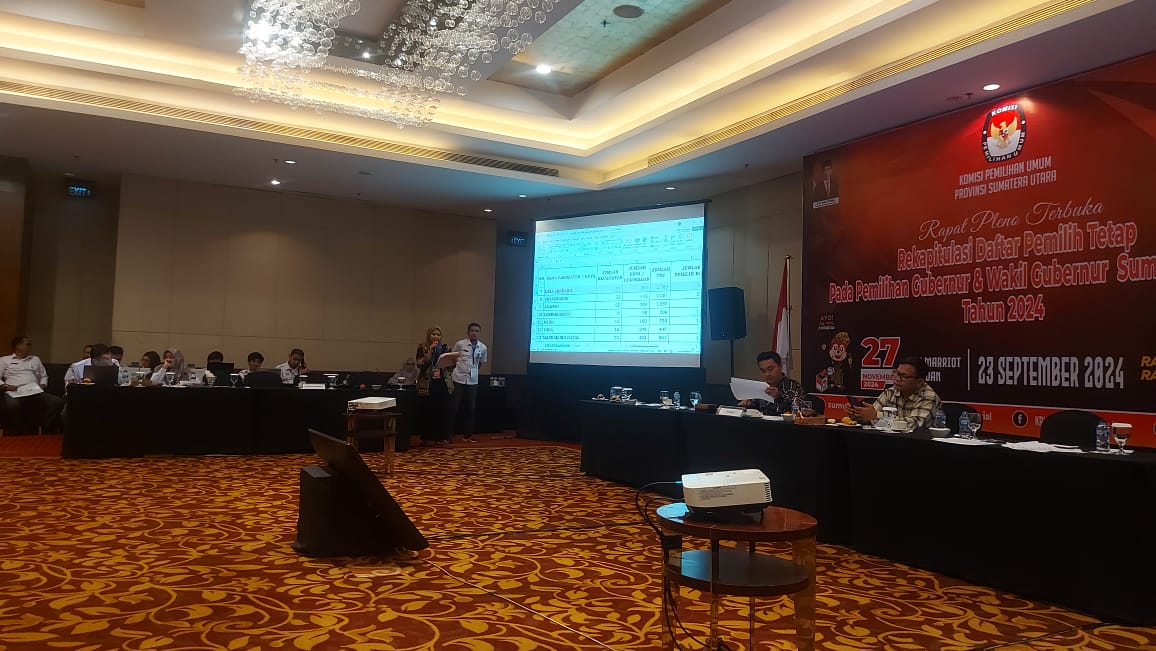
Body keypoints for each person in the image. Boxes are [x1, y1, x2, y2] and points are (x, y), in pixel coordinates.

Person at [848, 356, 941, 429]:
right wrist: (858, 414)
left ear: (919, 381)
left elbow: (915, 424)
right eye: (897, 373)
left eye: (903, 376)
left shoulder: (928, 396)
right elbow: (872, 416)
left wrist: (876, 416)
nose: (897, 379)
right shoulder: (891, 392)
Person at [0, 336, 64, 434]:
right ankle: (17, 431)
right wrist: (5, 386)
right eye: (28, 344)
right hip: (14, 391)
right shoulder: (4, 360)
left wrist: (43, 384)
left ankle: (46, 428)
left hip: (34, 390)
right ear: (18, 346)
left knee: (57, 402)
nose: (30, 346)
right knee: (12, 405)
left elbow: (43, 375)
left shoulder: (35, 359)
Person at [415, 326, 460, 446]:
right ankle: (428, 437)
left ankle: (443, 437)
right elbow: (420, 365)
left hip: (442, 382)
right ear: (429, 335)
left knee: (444, 410)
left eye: (438, 335)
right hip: (428, 382)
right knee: (428, 410)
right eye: (433, 334)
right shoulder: (422, 347)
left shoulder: (445, 348)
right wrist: (429, 352)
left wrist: (453, 362)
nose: (436, 337)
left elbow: (449, 368)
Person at [449, 322, 488, 442]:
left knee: (470, 409)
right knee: (454, 408)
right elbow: (453, 359)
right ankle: (449, 435)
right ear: (468, 332)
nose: (474, 333)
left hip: (472, 381)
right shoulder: (460, 344)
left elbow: (480, 363)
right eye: (472, 331)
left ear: (479, 333)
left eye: (477, 331)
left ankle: (468, 436)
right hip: (458, 379)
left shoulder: (483, 347)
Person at [739, 351, 806, 416]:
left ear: (780, 366)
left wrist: (778, 397)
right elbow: (755, 410)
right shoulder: (761, 387)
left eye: (770, 369)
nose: (767, 374)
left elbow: (798, 411)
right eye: (763, 371)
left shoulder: (793, 386)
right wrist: (748, 403)